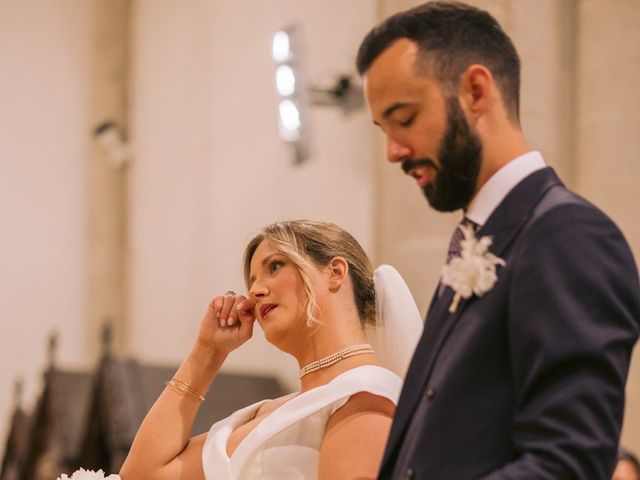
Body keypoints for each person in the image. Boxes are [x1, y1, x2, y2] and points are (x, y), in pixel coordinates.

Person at [356, 1, 640, 478]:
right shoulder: (484, 238)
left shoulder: (566, 236)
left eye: (404, 119)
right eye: (384, 130)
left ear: (474, 90)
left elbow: (567, 464)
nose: (393, 152)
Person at [119, 220, 422, 480]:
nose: (254, 291)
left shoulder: (366, 394)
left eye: (274, 266)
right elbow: (142, 475)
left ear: (335, 272)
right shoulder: (266, 412)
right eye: (251, 280)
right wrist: (207, 352)